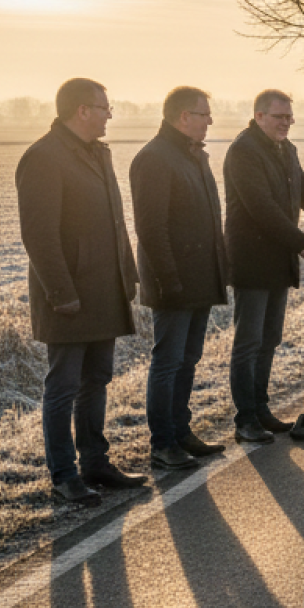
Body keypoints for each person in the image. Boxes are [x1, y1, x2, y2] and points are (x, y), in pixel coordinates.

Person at [16, 78, 147, 506]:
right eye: (104, 107)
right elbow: (39, 235)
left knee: (97, 380)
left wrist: (127, 274)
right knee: (64, 385)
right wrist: (61, 292)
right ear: (81, 111)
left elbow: (115, 222)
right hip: (70, 296)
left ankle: (95, 462)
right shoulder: (43, 159)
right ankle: (63, 474)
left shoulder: (98, 153)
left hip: (104, 290)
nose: (110, 113)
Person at [224, 90, 304, 443]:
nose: (286, 123)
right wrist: (300, 242)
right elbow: (260, 206)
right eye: (279, 117)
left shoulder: (285, 149)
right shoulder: (243, 151)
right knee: (248, 342)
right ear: (259, 116)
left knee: (269, 339)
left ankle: (260, 409)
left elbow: (303, 189)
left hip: (277, 259)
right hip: (252, 259)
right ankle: (245, 419)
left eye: (289, 117)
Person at [130, 87, 229, 471]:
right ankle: (163, 443)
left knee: (188, 359)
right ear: (182, 117)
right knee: (168, 362)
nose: (210, 121)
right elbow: (151, 229)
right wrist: (169, 280)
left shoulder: (194, 156)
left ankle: (182, 432)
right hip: (173, 283)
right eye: (204, 114)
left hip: (200, 279)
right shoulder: (154, 159)